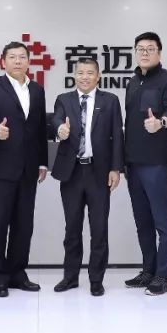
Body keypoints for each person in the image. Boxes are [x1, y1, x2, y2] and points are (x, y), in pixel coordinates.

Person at [0, 41, 49, 297]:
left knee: (23, 225)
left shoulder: (37, 90)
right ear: (3, 61)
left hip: (28, 169)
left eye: (22, 57)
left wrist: (42, 161)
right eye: (12, 57)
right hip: (0, 168)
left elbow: (39, 129)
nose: (18, 61)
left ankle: (17, 273)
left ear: (29, 61)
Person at [50, 57, 124, 296]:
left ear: (98, 76)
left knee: (99, 229)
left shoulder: (110, 101)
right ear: (75, 75)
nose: (84, 77)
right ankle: (70, 277)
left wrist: (116, 168)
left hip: (99, 172)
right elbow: (56, 120)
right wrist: (60, 129)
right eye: (80, 72)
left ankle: (96, 280)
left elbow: (117, 136)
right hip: (71, 173)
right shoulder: (64, 99)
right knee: (72, 229)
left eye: (89, 72)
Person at [123, 31, 167, 296]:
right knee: (143, 222)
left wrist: (161, 122)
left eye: (150, 48)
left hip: (156, 163)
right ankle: (148, 270)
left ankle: (163, 276)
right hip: (133, 164)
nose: (145, 52)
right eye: (140, 48)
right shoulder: (133, 81)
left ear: (159, 52)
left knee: (162, 222)